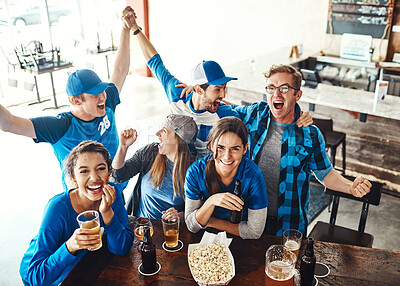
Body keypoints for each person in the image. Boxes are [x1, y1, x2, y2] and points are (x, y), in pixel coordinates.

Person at [125, 7, 313, 157]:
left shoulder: (225, 113)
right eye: (217, 89)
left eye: (224, 88)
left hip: (204, 177)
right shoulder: (177, 93)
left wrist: (296, 113)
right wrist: (134, 27)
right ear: (198, 88)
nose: (223, 95)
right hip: (174, 165)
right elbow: (155, 61)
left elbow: (265, 112)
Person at [0, 7, 136, 192]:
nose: (103, 96)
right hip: (82, 199)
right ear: (76, 101)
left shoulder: (107, 102)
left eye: (102, 91)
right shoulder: (59, 126)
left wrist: (125, 29)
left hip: (114, 190)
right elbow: (9, 123)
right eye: (94, 94)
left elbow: (120, 71)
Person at [234, 64, 372, 236]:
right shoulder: (254, 114)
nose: (276, 94)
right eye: (271, 88)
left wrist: (350, 187)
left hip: (287, 225)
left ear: (297, 95)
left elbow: (326, 174)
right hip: (247, 218)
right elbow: (221, 110)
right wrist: (192, 94)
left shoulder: (310, 134)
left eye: (284, 88)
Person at [19, 141, 134, 286]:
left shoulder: (111, 193)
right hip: (52, 275)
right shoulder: (57, 208)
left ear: (109, 172)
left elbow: (121, 248)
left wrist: (107, 212)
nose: (94, 178)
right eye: (84, 171)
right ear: (73, 178)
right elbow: (35, 277)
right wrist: (70, 246)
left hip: (86, 264)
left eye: (100, 168)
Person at [185, 117, 268, 239]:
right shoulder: (195, 172)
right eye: (221, 147)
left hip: (240, 239)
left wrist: (211, 222)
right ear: (212, 146)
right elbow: (191, 226)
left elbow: (254, 232)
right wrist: (211, 201)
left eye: (235, 149)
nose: (227, 156)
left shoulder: (254, 176)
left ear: (245, 149)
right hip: (203, 240)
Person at [111, 114, 198, 220]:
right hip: (141, 226)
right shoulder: (150, 152)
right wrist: (123, 147)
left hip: (169, 231)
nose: (158, 134)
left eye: (164, 131)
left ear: (178, 140)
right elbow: (117, 176)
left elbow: (200, 210)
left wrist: (180, 215)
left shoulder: (195, 170)